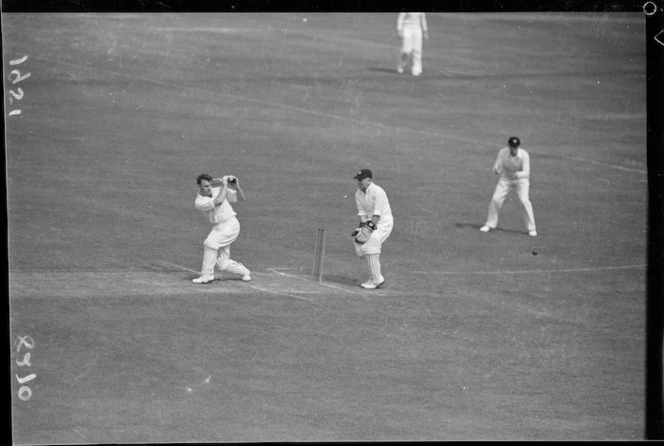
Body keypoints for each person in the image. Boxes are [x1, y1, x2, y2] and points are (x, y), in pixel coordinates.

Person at [192, 173, 251, 284]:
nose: (209, 188)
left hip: (230, 224)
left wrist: (236, 186)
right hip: (218, 227)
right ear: (198, 187)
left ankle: (206, 276)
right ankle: (244, 271)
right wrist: (224, 183)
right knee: (221, 262)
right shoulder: (199, 202)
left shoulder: (218, 189)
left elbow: (241, 198)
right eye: (205, 186)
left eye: (210, 185)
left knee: (210, 243)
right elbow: (218, 201)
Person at [480, 137, 537, 236]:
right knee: (496, 199)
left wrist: (517, 175)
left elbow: (527, 172)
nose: (513, 149)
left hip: (521, 180)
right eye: (511, 147)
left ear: (518, 147)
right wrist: (496, 170)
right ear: (509, 146)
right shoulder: (502, 153)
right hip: (506, 178)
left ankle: (531, 228)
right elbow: (496, 167)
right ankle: (489, 224)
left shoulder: (524, 155)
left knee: (524, 201)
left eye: (515, 147)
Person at [352, 169, 394, 289]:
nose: (359, 182)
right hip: (371, 224)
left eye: (361, 180)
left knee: (371, 243)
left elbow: (377, 215)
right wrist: (361, 231)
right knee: (360, 246)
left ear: (369, 180)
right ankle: (373, 277)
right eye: (358, 180)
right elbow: (362, 216)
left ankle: (377, 279)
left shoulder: (378, 192)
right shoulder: (358, 194)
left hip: (383, 223)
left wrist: (367, 231)